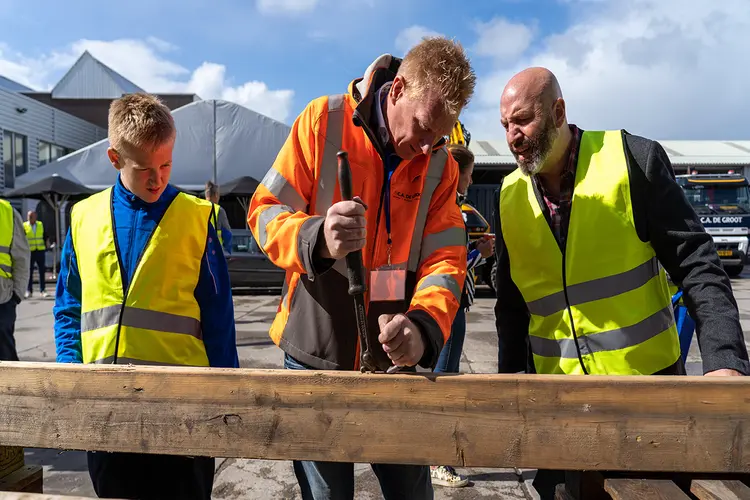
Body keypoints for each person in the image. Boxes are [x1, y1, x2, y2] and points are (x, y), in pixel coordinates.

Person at [493, 67, 750, 498]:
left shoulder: (632, 160)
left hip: (647, 398)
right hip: (556, 407)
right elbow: (511, 306)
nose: (512, 136)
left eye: (522, 120)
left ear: (558, 111)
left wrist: (724, 363)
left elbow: (698, 266)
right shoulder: (508, 196)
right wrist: (509, 391)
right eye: (504, 125)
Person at [248, 36, 475, 500]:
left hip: (396, 365)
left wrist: (423, 325)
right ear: (397, 92)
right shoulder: (322, 121)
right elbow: (264, 211)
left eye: (441, 135)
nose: (428, 145)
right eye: (422, 127)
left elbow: (446, 261)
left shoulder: (440, 166)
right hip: (317, 356)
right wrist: (316, 237)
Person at [53, 93, 239, 500]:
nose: (158, 179)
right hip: (106, 412)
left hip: (184, 414)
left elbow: (219, 317)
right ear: (115, 158)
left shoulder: (195, 218)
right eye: (145, 169)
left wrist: (228, 401)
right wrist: (73, 374)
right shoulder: (83, 217)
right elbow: (69, 308)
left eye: (166, 165)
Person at [430, 143, 493, 488]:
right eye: (468, 174)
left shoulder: (439, 205)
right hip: (450, 308)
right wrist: (479, 253)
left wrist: (477, 255)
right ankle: (438, 462)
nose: (470, 181)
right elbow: (452, 269)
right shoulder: (451, 209)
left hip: (450, 306)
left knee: (443, 381)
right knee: (445, 384)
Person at [0, 199, 30, 361]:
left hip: (2, 300)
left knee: (6, 360)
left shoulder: (7, 212)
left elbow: (21, 258)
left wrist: (16, 295)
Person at [205, 180, 233, 255]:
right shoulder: (219, 211)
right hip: (215, 252)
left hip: (201, 253)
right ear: (216, 195)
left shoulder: (199, 208)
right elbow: (228, 234)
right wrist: (228, 251)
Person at [24, 210, 47, 298]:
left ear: (35, 216)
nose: (29, 218)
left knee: (42, 271)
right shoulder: (24, 225)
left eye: (31, 216)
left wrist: (47, 243)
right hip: (30, 251)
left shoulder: (40, 224)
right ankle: (29, 290)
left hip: (40, 250)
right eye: (28, 216)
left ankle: (43, 290)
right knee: (29, 271)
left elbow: (45, 235)